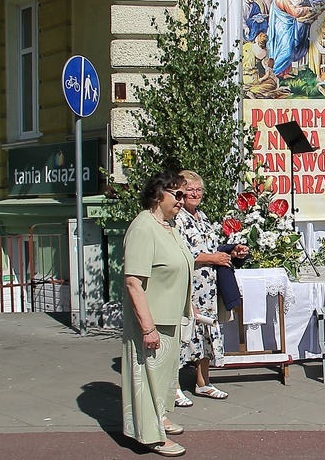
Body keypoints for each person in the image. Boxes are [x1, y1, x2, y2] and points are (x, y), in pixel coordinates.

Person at [121, 170, 193, 457]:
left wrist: (190, 306)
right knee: (146, 377)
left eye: (183, 194)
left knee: (163, 377)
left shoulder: (167, 226)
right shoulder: (143, 227)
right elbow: (133, 282)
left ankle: (159, 418)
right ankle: (150, 435)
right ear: (157, 195)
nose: (181, 199)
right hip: (151, 319)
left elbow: (178, 268)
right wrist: (147, 327)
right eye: (176, 194)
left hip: (170, 315)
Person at [173, 170, 249, 405]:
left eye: (198, 190)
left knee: (206, 330)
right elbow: (180, 252)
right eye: (190, 189)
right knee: (184, 334)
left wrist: (230, 251)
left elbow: (213, 246)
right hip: (188, 285)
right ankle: (173, 387)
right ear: (180, 192)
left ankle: (203, 383)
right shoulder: (176, 218)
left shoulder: (202, 216)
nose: (194, 194)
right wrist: (213, 258)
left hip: (208, 287)